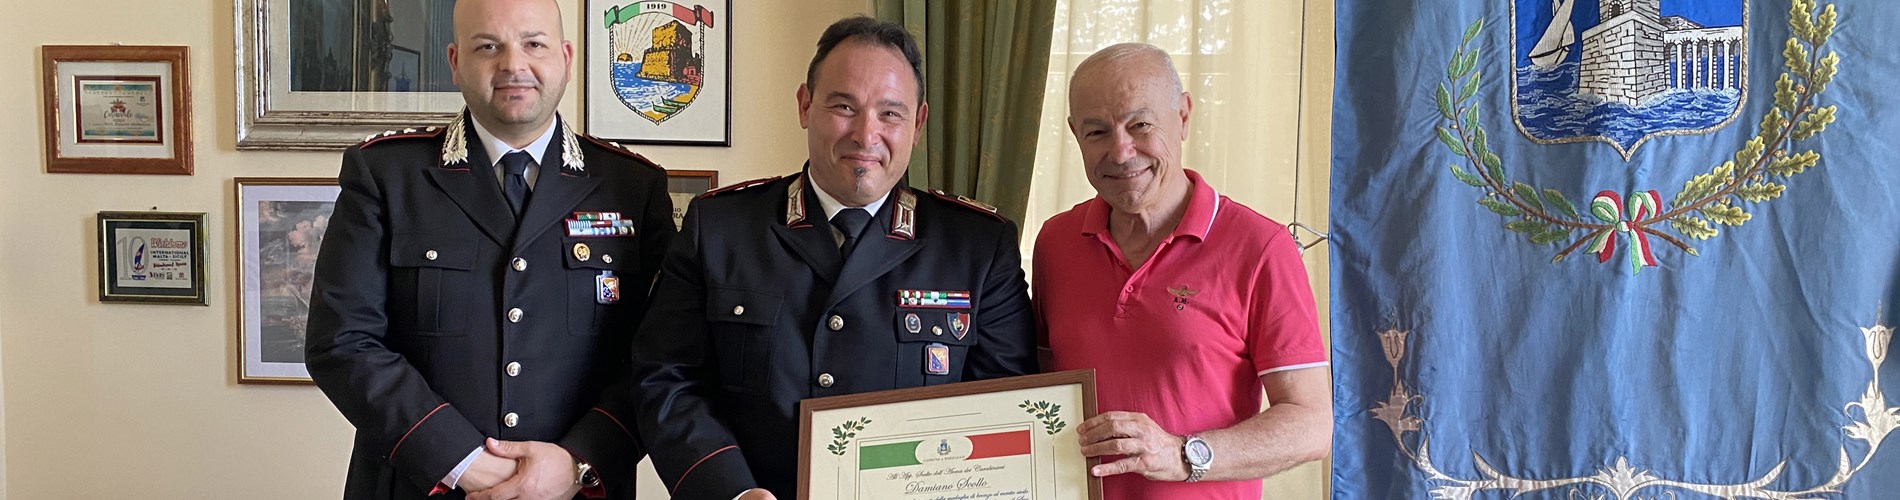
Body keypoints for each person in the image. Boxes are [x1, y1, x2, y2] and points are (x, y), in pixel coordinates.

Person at [629, 16, 1038, 500]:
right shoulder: (719, 228)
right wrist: (730, 491)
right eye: (844, 106)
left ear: (918, 124)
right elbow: (667, 378)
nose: (866, 135)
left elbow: (1003, 408)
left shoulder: (978, 246)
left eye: (890, 113)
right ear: (805, 105)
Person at [305, 0, 672, 498]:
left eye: (534, 44)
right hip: (419, 484)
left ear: (565, 58)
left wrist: (578, 461)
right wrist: (459, 460)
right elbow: (343, 341)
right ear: (455, 62)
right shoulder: (386, 175)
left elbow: (663, 357)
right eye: (488, 47)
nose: (513, 65)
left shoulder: (632, 186)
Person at [1033, 43, 1332, 499]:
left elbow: (1312, 424)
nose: (1121, 151)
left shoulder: (1261, 247)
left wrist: (1182, 454)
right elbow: (1037, 387)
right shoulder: (1055, 242)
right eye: (1097, 132)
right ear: (1075, 134)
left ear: (1183, 115)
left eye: (1140, 125)